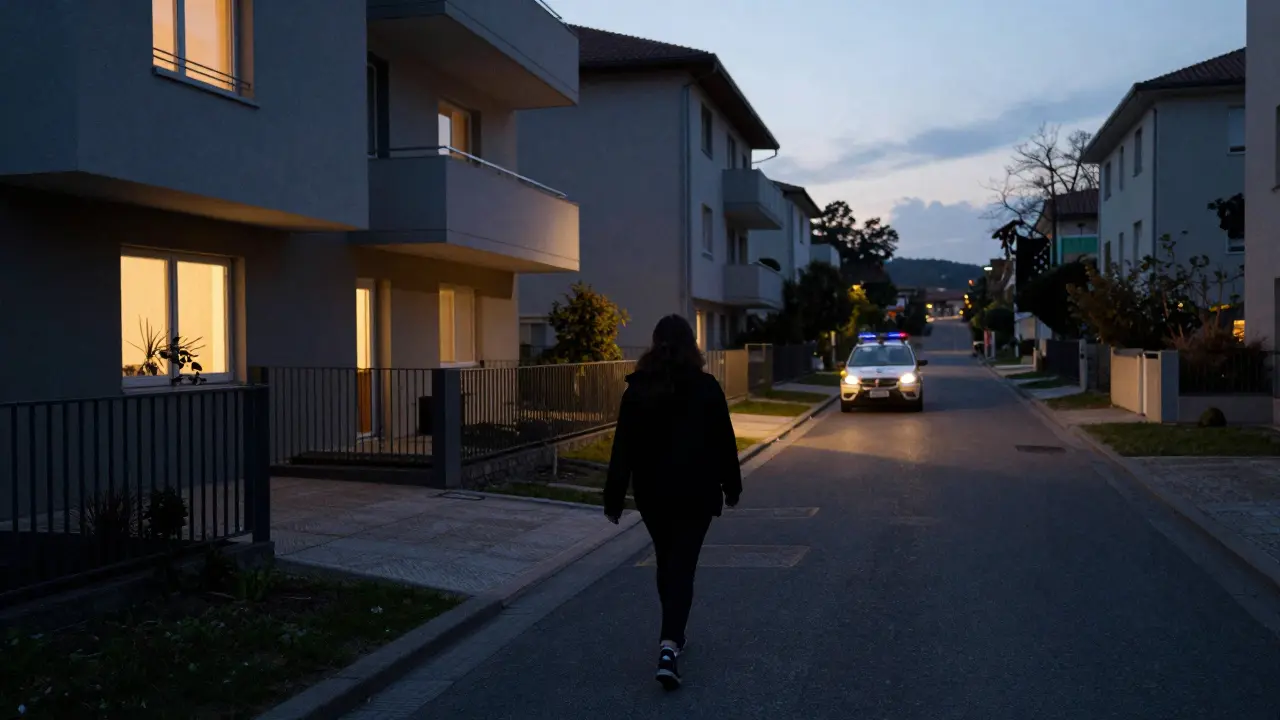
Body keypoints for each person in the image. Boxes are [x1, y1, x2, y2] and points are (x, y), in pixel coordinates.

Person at [603, 314, 743, 691]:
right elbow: (724, 443)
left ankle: (673, 635)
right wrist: (732, 486)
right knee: (683, 565)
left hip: (653, 494)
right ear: (691, 346)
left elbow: (623, 449)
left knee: (668, 561)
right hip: (696, 494)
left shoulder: (638, 390)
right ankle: (670, 645)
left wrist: (614, 497)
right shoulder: (706, 388)